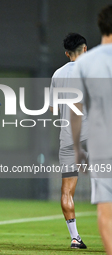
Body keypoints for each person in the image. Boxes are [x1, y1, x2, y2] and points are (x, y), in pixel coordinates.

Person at [71, 5, 112, 255]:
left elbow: (77, 110)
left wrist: (77, 149)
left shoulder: (85, 63)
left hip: (101, 146)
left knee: (106, 210)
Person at [49, 33, 88, 249]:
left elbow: (54, 108)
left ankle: (75, 237)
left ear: (66, 53)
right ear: (85, 49)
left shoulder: (57, 74)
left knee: (66, 191)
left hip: (68, 139)